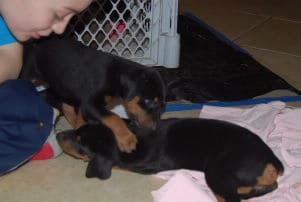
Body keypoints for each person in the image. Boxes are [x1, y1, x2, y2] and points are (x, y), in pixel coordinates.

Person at [0, 0, 93, 175]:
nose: (60, 28)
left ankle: (36, 134)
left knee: (24, 100)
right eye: (59, 15)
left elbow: (10, 59)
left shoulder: (6, 19)